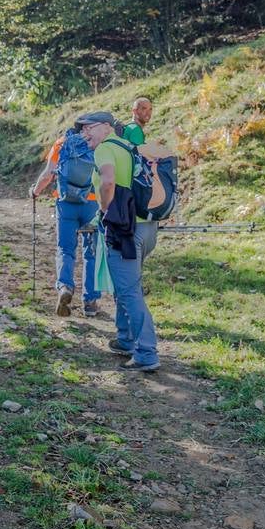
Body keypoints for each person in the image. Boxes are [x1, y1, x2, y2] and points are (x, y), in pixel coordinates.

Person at [83, 111, 161, 372]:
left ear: (106, 127)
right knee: (126, 285)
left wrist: (105, 210)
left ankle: (146, 353)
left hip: (124, 230)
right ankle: (126, 339)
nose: (84, 134)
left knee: (129, 292)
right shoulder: (130, 146)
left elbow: (107, 181)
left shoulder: (105, 148)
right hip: (147, 228)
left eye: (88, 128)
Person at [30, 129, 102, 317]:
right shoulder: (96, 143)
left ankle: (64, 287)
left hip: (66, 203)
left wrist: (35, 191)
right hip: (91, 202)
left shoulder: (61, 143)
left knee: (65, 249)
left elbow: (48, 174)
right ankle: (91, 302)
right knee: (91, 252)